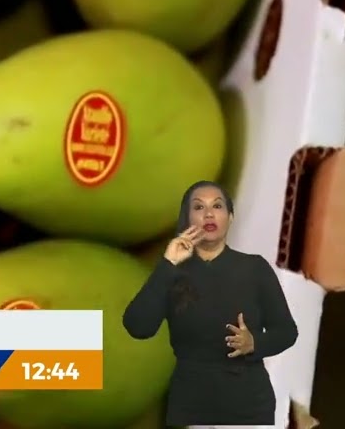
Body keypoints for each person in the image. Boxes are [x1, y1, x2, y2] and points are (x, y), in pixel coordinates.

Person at [122, 181, 298, 427]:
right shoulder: (173, 273)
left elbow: (287, 331)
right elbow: (138, 325)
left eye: (217, 206)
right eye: (198, 207)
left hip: (247, 404)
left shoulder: (255, 268)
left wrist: (254, 343)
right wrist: (168, 264)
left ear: (230, 217)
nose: (208, 214)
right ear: (186, 220)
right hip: (192, 404)